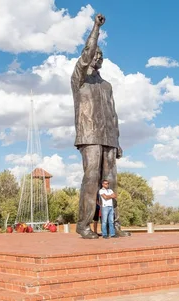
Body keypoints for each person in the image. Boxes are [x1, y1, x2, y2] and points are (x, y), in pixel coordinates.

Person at [71, 13, 129, 239]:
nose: (97, 57)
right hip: (89, 135)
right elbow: (86, 53)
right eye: (95, 54)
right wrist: (96, 27)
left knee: (111, 181)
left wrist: (118, 141)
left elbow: (113, 115)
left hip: (109, 139)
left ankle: (113, 226)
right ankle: (83, 225)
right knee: (91, 178)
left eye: (100, 55)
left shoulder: (107, 86)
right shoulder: (79, 80)